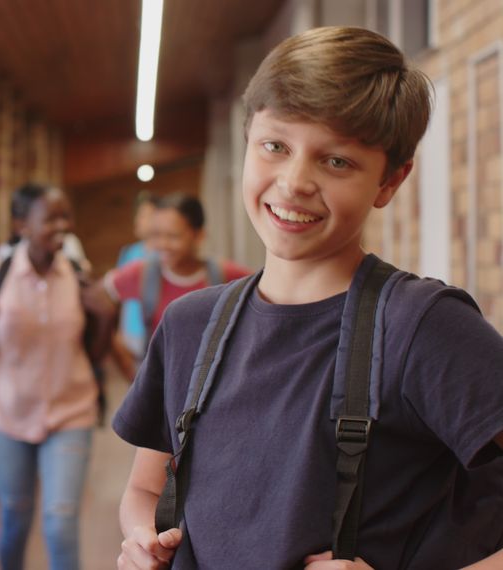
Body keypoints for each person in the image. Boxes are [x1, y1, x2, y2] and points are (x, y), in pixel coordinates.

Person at [114, 27, 503, 570]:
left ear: (390, 181)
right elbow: (144, 491)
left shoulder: (422, 327)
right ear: (248, 137)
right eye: (275, 146)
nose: (294, 181)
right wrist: (140, 539)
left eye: (336, 161)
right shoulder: (189, 325)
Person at [0, 183, 113, 570]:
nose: (62, 226)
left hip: (70, 413)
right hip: (6, 417)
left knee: (60, 524)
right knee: (15, 519)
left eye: (66, 216)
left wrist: (106, 316)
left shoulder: (78, 275)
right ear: (22, 224)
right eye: (51, 218)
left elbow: (95, 352)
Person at [88, 193, 251, 358]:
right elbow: (94, 297)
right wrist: (128, 366)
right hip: (164, 382)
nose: (162, 244)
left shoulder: (225, 275)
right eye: (156, 235)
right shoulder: (142, 274)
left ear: (199, 235)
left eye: (173, 236)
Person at [115, 191, 159, 360]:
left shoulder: (165, 254)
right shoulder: (129, 252)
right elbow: (121, 297)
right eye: (140, 215)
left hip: (157, 330)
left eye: (148, 215)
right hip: (131, 330)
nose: (141, 220)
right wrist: (119, 330)